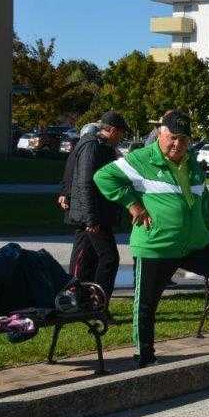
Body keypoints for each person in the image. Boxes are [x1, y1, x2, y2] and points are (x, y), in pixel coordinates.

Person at [93, 109, 209, 367]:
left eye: (184, 139)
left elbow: (203, 197)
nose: (178, 144)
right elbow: (103, 177)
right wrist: (133, 204)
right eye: (173, 137)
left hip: (192, 246)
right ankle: (144, 359)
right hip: (157, 246)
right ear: (161, 134)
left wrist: (202, 225)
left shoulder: (193, 164)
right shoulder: (141, 159)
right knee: (146, 304)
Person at [56, 111, 129, 304]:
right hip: (92, 214)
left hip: (94, 213)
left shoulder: (103, 147)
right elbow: (85, 183)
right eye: (121, 133)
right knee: (108, 258)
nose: (122, 137)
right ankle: (97, 301)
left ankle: (82, 299)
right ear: (111, 130)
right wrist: (91, 219)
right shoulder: (92, 146)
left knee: (88, 256)